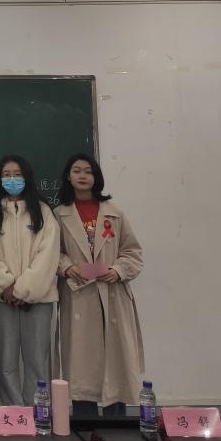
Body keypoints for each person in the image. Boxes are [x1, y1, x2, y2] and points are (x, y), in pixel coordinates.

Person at [56, 153, 144, 417]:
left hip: (112, 294)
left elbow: (133, 253)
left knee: (115, 365)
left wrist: (118, 270)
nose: (83, 176)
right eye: (77, 171)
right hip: (79, 295)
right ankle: (85, 424)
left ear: (96, 177)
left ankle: (116, 423)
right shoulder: (58, 215)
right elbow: (51, 252)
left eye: (88, 171)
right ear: (68, 176)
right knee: (83, 366)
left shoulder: (114, 213)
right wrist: (66, 266)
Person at [0, 155, 59, 407]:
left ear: (27, 177)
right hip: (2, 298)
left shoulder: (43, 211)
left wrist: (23, 289)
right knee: (6, 360)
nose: (12, 179)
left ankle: (37, 411)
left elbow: (48, 254)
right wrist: (5, 286)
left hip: (38, 298)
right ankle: (12, 413)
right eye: (7, 174)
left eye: (17, 174)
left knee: (37, 359)